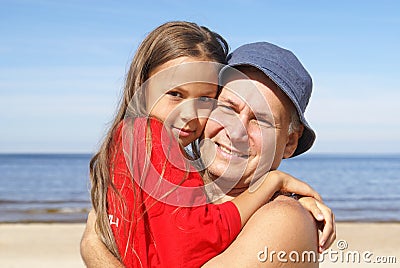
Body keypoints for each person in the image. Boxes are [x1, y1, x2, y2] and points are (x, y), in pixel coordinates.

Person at [82, 23, 335, 267]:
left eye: (261, 120)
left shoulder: (283, 219)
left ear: (290, 141)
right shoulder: (169, 186)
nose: (236, 131)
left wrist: (94, 248)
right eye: (227, 108)